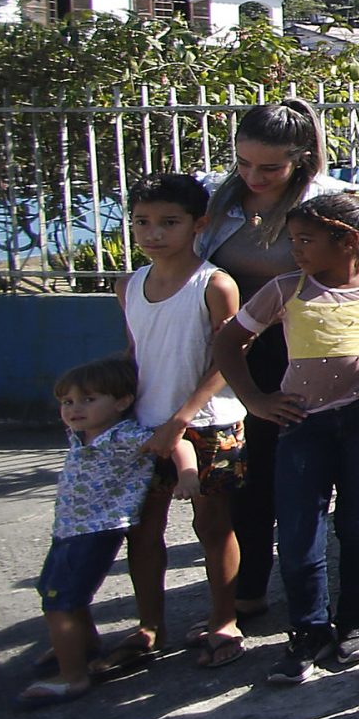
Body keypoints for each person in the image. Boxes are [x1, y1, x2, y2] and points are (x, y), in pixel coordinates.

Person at [213, 192, 359, 686]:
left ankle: (353, 623)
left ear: (347, 241)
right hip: (303, 425)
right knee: (300, 527)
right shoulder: (286, 289)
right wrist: (256, 401)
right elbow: (227, 342)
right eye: (293, 239)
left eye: (305, 240)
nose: (295, 249)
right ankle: (307, 628)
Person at [197, 99, 359, 627]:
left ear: (303, 159)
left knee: (348, 473)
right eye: (244, 163)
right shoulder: (218, 196)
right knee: (254, 476)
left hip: (314, 346)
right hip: (244, 350)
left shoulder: (328, 201)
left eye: (269, 168)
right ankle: (250, 588)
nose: (254, 177)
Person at [118, 173, 245, 671]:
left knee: (213, 526)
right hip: (144, 427)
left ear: (199, 224)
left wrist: (181, 419)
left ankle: (224, 620)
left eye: (169, 222)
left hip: (210, 424)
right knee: (142, 532)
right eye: (143, 222)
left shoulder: (214, 284)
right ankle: (149, 627)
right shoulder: (126, 286)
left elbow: (228, 360)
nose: (153, 233)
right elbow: (134, 355)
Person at [18, 356, 162, 709]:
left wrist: (188, 473)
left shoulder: (123, 436)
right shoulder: (82, 435)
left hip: (95, 530)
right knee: (59, 593)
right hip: (70, 528)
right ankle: (83, 646)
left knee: (59, 601)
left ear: (122, 402)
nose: (74, 409)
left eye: (88, 399)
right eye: (67, 401)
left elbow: (171, 441)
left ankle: (73, 678)